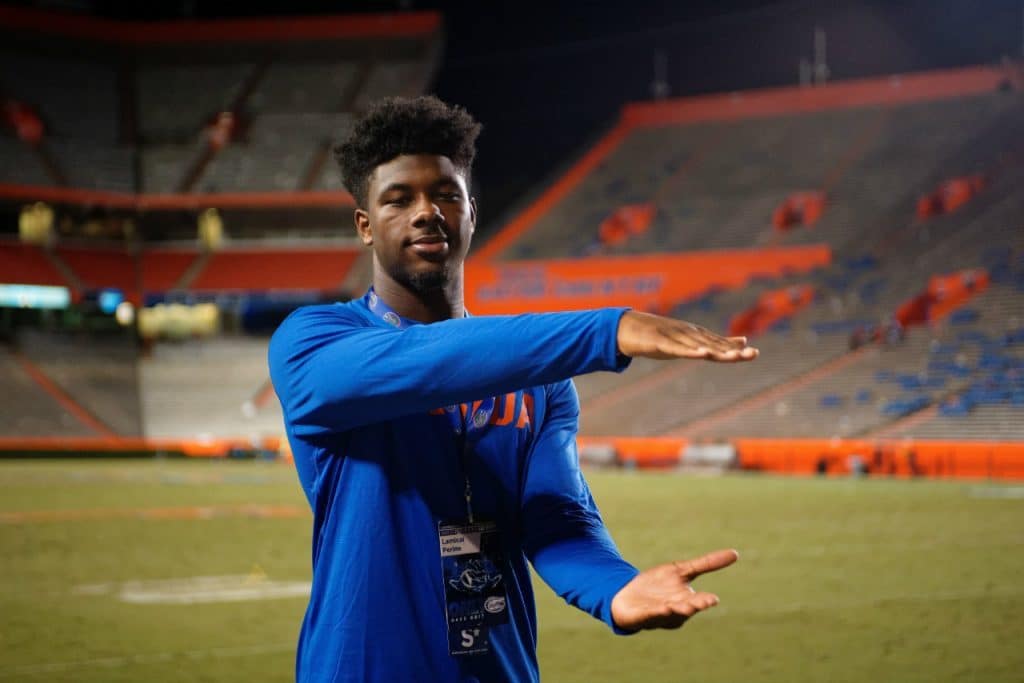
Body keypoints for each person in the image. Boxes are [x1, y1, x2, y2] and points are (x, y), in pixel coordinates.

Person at [269, 96, 758, 683]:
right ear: (365, 226)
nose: (427, 212)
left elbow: (556, 518)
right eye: (399, 199)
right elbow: (422, 363)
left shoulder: (541, 382)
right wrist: (607, 329)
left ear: (472, 213)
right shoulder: (313, 343)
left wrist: (615, 588)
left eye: (446, 194)